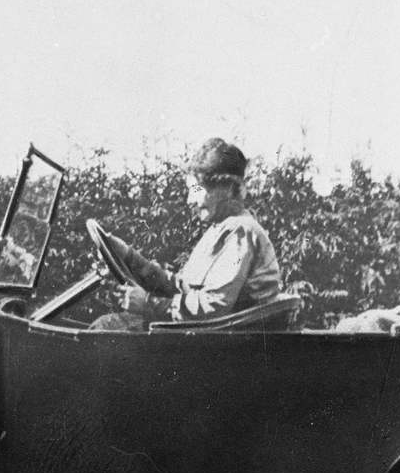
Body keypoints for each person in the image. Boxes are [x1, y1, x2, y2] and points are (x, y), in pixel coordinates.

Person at [92, 138, 281, 331]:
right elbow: (183, 287)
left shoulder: (241, 232)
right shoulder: (221, 229)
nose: (190, 200)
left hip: (220, 343)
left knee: (106, 328)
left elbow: (214, 307)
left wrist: (149, 303)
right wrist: (131, 258)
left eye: (196, 190)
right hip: (207, 336)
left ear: (226, 188)